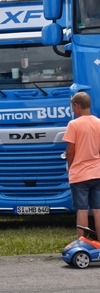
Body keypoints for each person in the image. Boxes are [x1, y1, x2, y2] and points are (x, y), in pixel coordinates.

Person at [62, 91, 100, 237]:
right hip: (97, 173)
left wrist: (71, 167)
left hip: (80, 175)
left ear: (77, 105)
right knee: (98, 210)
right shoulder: (98, 123)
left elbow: (70, 151)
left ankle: (82, 243)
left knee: (82, 210)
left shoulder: (73, 124)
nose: (73, 109)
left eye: (73, 106)